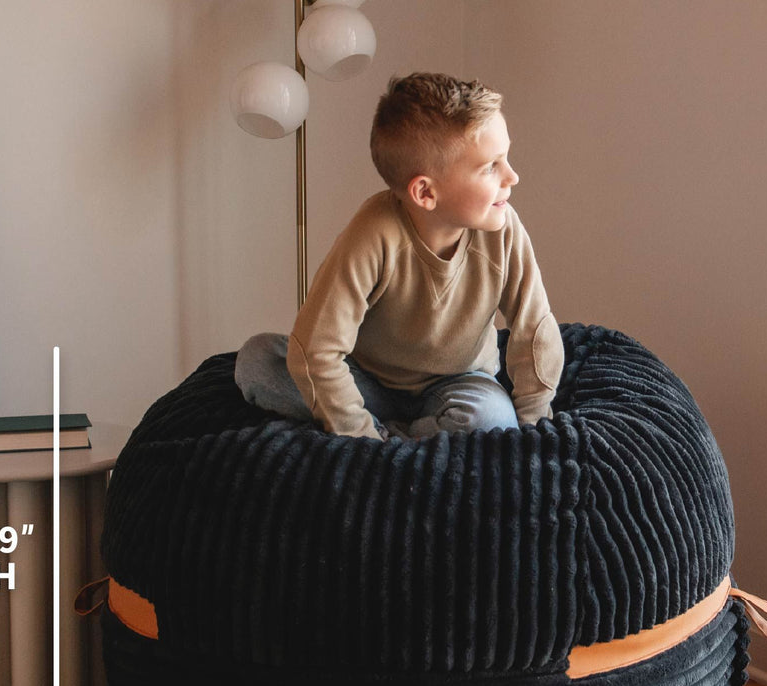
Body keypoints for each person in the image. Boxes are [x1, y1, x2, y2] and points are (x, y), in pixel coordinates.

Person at [234, 72, 563, 441]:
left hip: (459, 382)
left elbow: (535, 330)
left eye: (506, 159)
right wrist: (357, 431)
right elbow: (316, 346)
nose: (512, 176)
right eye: (491, 167)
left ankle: (395, 436)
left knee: (491, 419)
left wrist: (534, 425)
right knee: (257, 360)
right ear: (425, 193)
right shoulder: (373, 233)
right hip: (367, 378)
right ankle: (394, 436)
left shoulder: (503, 229)